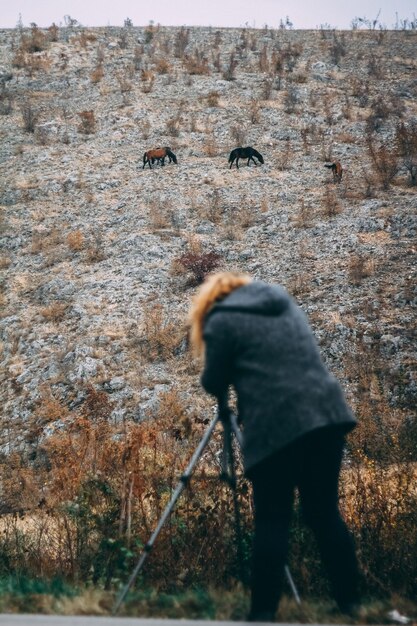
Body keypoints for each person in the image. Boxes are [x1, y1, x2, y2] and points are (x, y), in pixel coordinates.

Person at [189, 272, 360, 622]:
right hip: (325, 415)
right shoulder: (281, 301)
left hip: (276, 424)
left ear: (211, 301)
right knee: (324, 513)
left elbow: (213, 379)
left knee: (272, 518)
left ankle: (263, 612)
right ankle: (352, 603)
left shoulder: (221, 319)